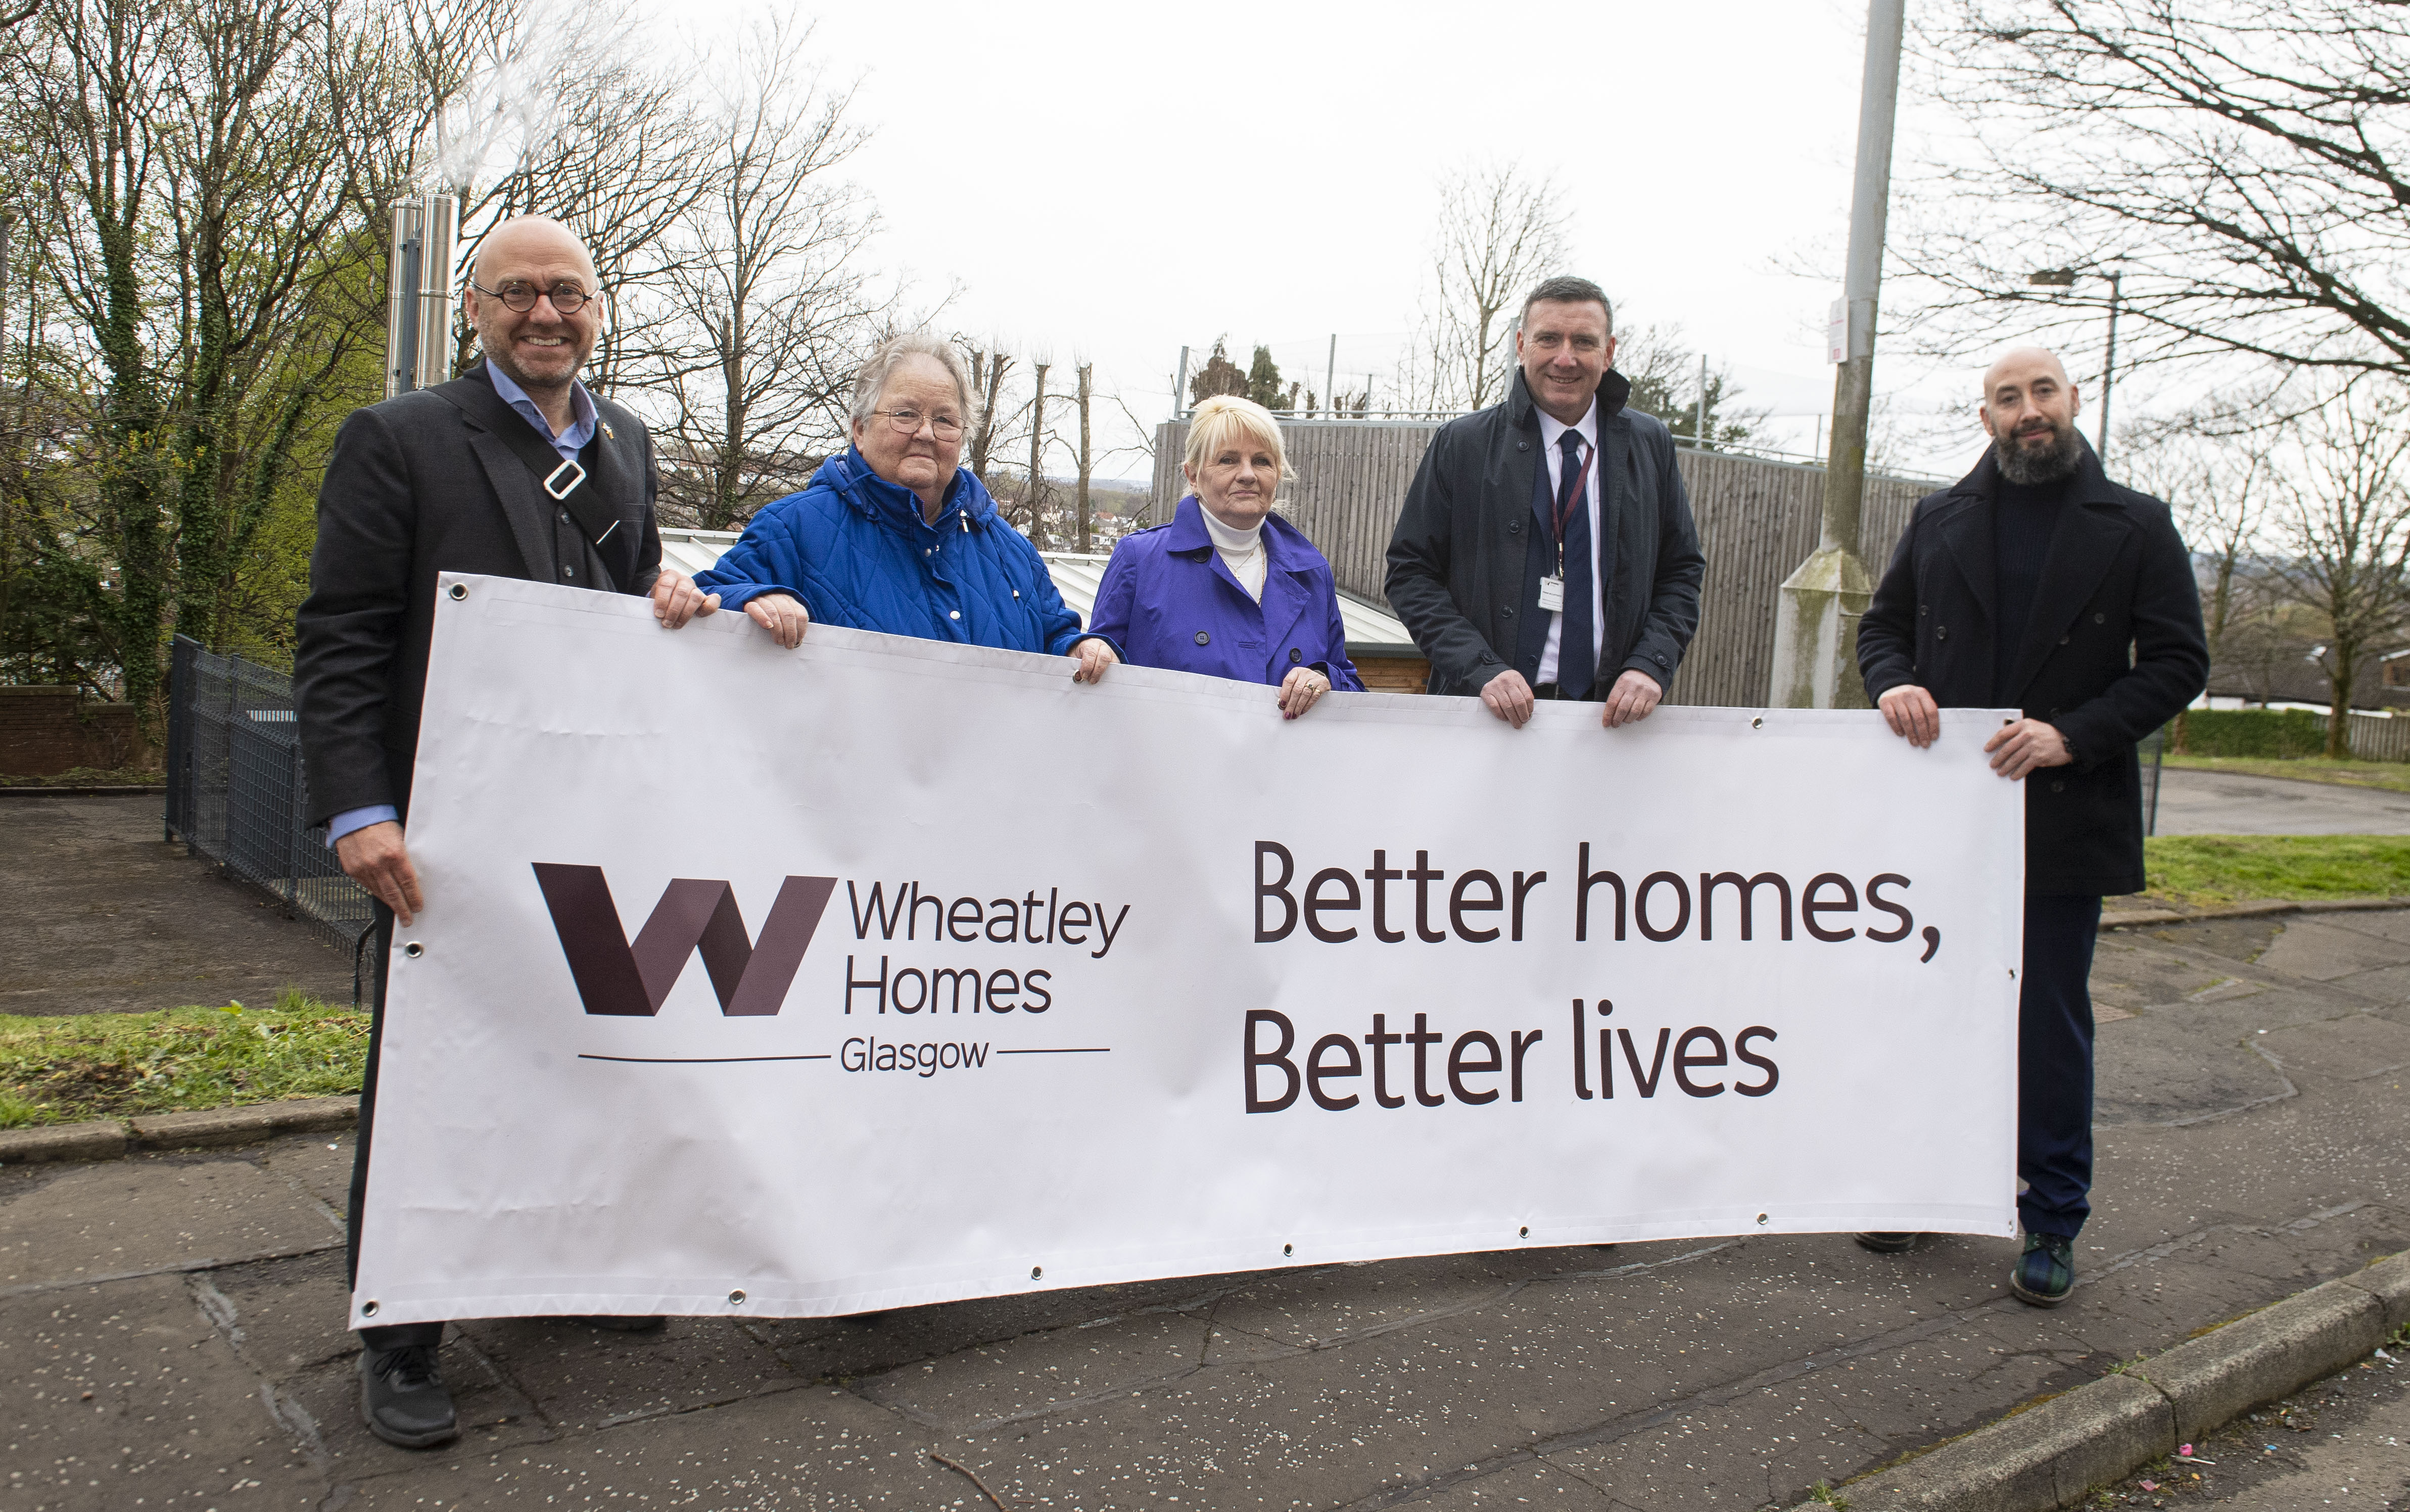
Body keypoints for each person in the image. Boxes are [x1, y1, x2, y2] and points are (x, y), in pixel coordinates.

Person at [294, 215, 720, 1449]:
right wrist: (358, 810)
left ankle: (553, 1270)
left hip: (582, 817)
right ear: (472, 308)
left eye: (568, 293)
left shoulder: (625, 442)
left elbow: (623, 598)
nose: (546, 313)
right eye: (518, 292)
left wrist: (667, 600)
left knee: (577, 1050)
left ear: (601, 310)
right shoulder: (400, 439)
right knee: (432, 1069)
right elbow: (342, 633)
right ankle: (403, 1330)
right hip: (448, 820)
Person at [1854, 346, 2208, 1306]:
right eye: (2007, 398)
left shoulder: (2134, 523)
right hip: (1944, 817)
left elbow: (2177, 662)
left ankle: (2050, 1214)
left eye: (2040, 392)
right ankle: (1923, 1188)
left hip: (2060, 813)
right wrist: (1894, 685)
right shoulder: (1937, 519)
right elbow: (1879, 631)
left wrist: (2073, 736)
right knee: (1929, 1008)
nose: (2027, 411)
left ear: (2072, 399)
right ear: (1985, 418)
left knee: (2044, 1024)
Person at [692, 333, 1117, 681]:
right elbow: (707, 601)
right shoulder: (793, 529)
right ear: (859, 430)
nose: (926, 433)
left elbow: (1055, 637)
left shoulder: (1012, 553)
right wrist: (754, 599)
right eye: (906, 414)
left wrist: (1082, 649)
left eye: (945, 420)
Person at [1385, 275, 1705, 728]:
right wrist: (1480, 668)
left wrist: (1650, 663)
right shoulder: (1464, 445)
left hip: (1613, 723)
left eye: (1584, 342)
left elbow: (1681, 571)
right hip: (1485, 716)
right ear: (1521, 344)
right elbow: (1410, 573)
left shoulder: (1649, 444)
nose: (1565, 358)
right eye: (1548, 339)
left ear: (1609, 351)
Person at [1086, 395, 1363, 718]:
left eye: (1262, 461)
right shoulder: (1140, 559)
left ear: (1278, 475)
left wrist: (1325, 680)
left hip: (1281, 766)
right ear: (1193, 475)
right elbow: (1098, 671)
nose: (1248, 474)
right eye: (1229, 460)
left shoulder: (1312, 572)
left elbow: (1351, 689)